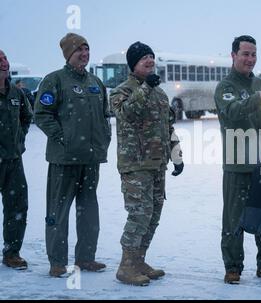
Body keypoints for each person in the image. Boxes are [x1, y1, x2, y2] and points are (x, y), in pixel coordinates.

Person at [34, 33, 111, 277]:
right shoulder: (54, 80)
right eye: (79, 50)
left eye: (87, 50)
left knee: (89, 210)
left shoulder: (96, 83)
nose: (84, 54)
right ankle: (57, 262)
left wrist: (104, 138)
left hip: (91, 159)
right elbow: (42, 114)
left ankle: (86, 258)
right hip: (64, 159)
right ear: (68, 54)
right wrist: (62, 138)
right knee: (59, 211)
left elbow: (105, 116)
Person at [109, 42, 184, 286]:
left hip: (157, 165)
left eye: (152, 57)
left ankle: (138, 261)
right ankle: (126, 266)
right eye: (144, 58)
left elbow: (168, 128)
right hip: (135, 165)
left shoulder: (161, 94)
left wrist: (176, 156)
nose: (150, 61)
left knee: (153, 215)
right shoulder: (122, 91)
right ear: (133, 64)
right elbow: (128, 114)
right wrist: (145, 87)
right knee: (139, 216)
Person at [214, 35, 261, 284]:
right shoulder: (226, 88)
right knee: (234, 218)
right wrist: (260, 98)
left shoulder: (260, 84)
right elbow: (233, 113)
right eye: (245, 54)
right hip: (237, 161)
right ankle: (233, 267)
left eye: (254, 54)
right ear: (233, 55)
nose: (250, 59)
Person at [0, 50, 33, 270]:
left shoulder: (15, 93)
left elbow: (26, 116)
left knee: (17, 206)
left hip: (13, 161)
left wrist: (18, 139)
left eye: (4, 58)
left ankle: (12, 253)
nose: (3, 62)